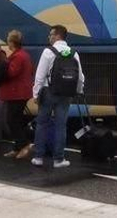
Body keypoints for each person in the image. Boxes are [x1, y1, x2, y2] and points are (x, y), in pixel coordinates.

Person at [32, 24, 84, 167]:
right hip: (66, 94)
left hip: (49, 92)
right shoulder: (74, 53)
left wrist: (36, 94)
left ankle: (38, 157)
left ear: (57, 36)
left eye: (50, 35)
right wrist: (78, 91)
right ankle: (59, 159)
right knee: (61, 126)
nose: (49, 37)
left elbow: (40, 76)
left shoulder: (48, 52)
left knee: (42, 123)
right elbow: (80, 77)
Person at [0, 30, 35, 159]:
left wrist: (0, 66)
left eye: (8, 40)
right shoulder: (22, 55)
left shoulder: (18, 56)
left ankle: (24, 145)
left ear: (12, 42)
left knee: (12, 120)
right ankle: (18, 146)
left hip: (17, 93)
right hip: (19, 92)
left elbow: (11, 73)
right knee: (16, 119)